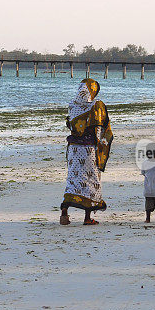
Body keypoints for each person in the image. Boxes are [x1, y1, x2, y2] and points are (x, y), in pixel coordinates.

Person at [60, 78, 114, 225]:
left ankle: (64, 212)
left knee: (73, 178)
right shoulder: (96, 106)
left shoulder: (72, 105)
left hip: (73, 149)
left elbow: (72, 126)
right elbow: (99, 129)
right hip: (88, 150)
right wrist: (101, 145)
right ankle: (87, 218)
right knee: (89, 180)